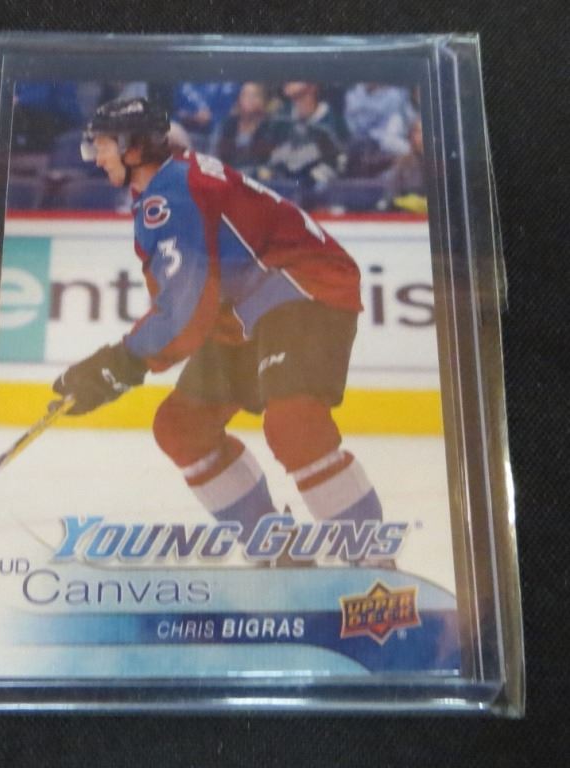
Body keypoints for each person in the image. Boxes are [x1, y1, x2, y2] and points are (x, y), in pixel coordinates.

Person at [52, 97, 383, 564]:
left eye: (103, 145)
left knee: (294, 424)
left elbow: (185, 312)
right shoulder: (164, 188)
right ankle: (277, 550)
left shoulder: (172, 197)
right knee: (182, 427)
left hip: (303, 284)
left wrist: (118, 364)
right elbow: (188, 304)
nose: (96, 156)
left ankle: (373, 563)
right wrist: (122, 363)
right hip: (248, 309)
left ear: (134, 149)